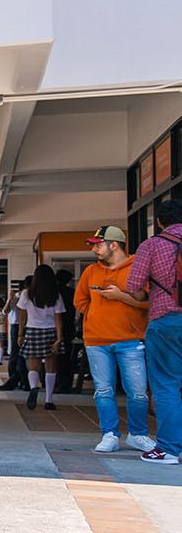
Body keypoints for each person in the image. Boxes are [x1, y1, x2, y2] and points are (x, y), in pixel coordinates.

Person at [75, 226, 154, 454]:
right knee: (103, 390)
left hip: (131, 339)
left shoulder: (137, 268)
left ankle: (137, 434)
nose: (94, 249)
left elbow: (148, 302)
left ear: (114, 244)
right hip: (96, 340)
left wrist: (121, 298)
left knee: (138, 392)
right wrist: (96, 312)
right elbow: (80, 300)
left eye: (98, 244)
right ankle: (109, 434)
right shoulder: (91, 271)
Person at [117, 196, 182, 464]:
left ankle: (168, 449)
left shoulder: (152, 245)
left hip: (166, 320)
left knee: (167, 385)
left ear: (158, 222)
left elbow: (135, 287)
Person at [16, 265, 69, 411]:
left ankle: (34, 387)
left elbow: (22, 316)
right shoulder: (55, 295)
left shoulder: (27, 293)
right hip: (51, 331)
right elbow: (59, 318)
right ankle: (48, 400)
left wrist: (20, 334)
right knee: (51, 368)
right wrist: (59, 338)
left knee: (33, 366)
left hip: (32, 331)